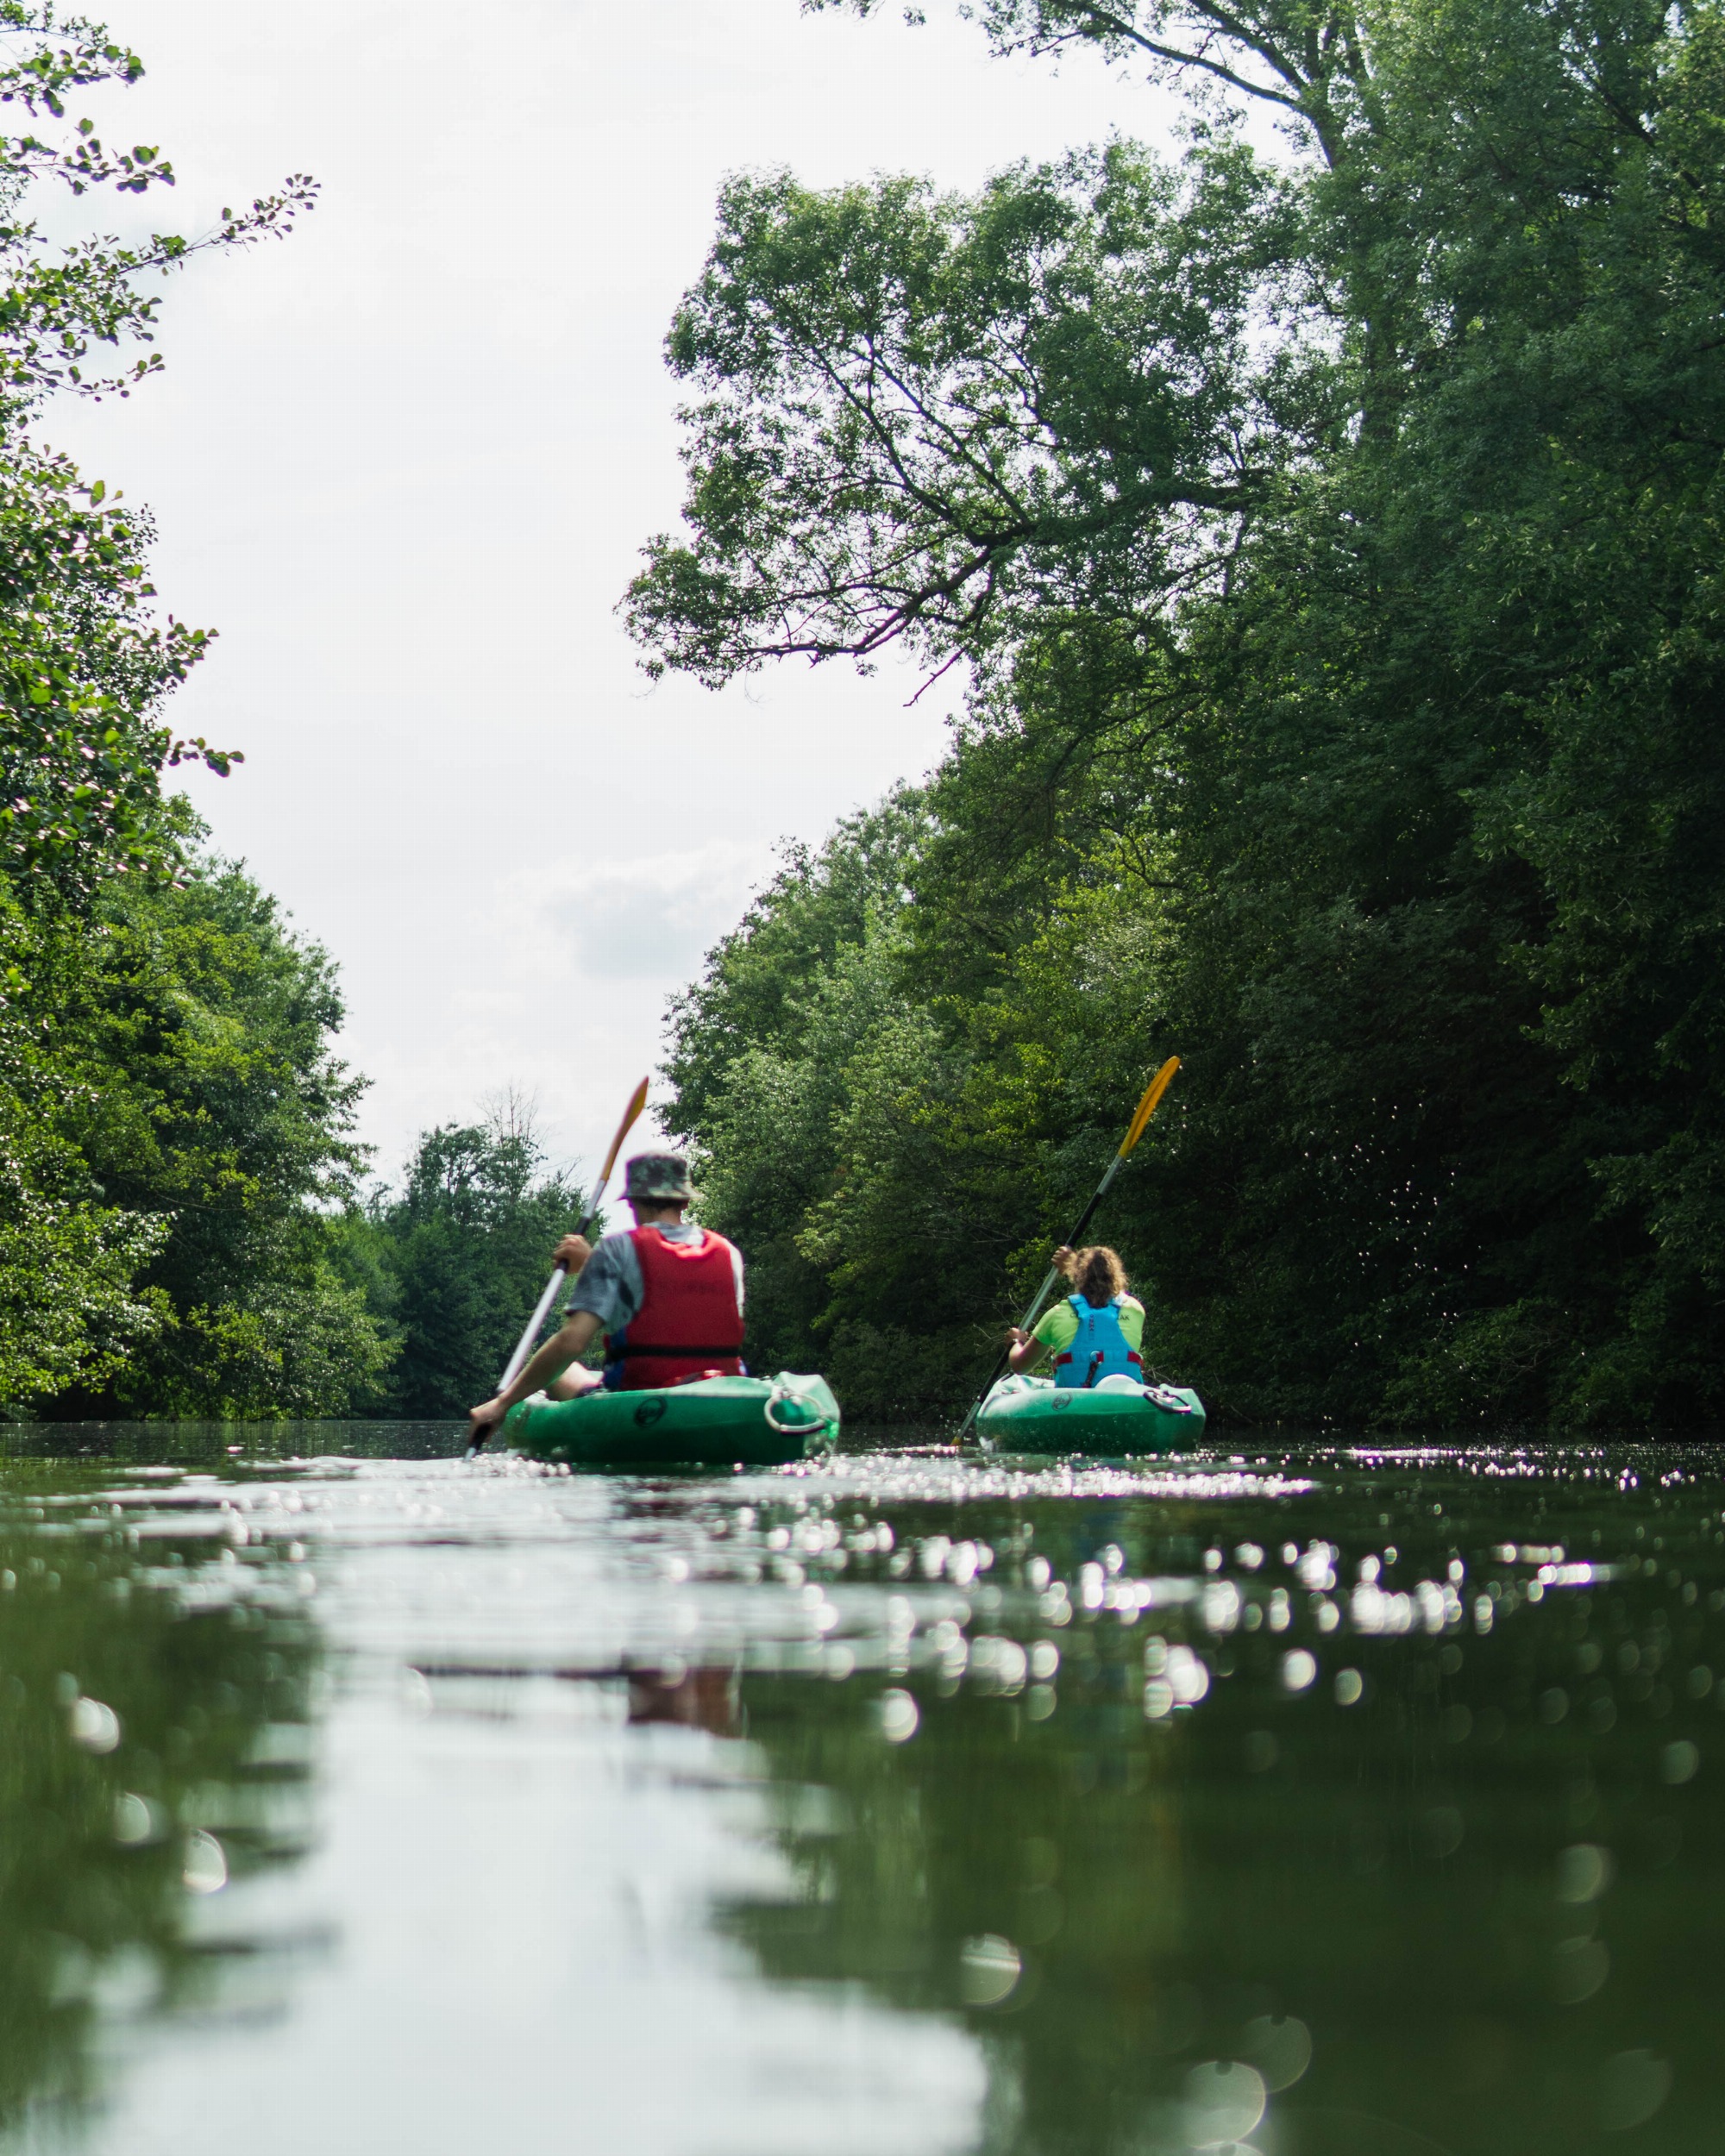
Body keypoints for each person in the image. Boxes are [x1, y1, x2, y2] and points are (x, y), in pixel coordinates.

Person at [467, 1151, 745, 1444]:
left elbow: (571, 1343)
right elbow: (684, 1308)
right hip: (719, 1395)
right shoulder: (728, 1253)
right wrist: (591, 1265)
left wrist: (502, 1403)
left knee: (565, 1372)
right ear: (686, 1200)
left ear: (633, 1202)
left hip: (639, 1399)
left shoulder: (615, 1250)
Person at [1007, 1244, 1146, 1388]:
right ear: (1117, 1275)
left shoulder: (1058, 1314)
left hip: (1074, 1403)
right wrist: (1072, 1264)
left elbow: (1020, 1366)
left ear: (1076, 1276)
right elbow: (1117, 1298)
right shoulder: (1135, 1309)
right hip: (1125, 1401)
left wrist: (1015, 1342)